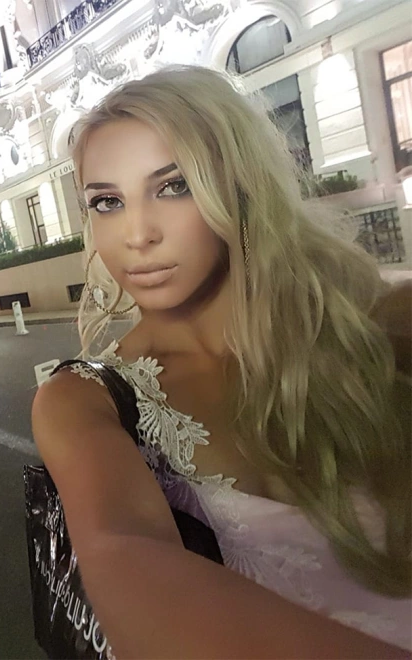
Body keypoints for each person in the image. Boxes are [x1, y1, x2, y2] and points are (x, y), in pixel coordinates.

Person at [32, 65, 411, 657]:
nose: (137, 234)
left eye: (173, 186)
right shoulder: (82, 399)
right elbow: (128, 561)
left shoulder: (377, 323)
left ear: (237, 186)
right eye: (107, 202)